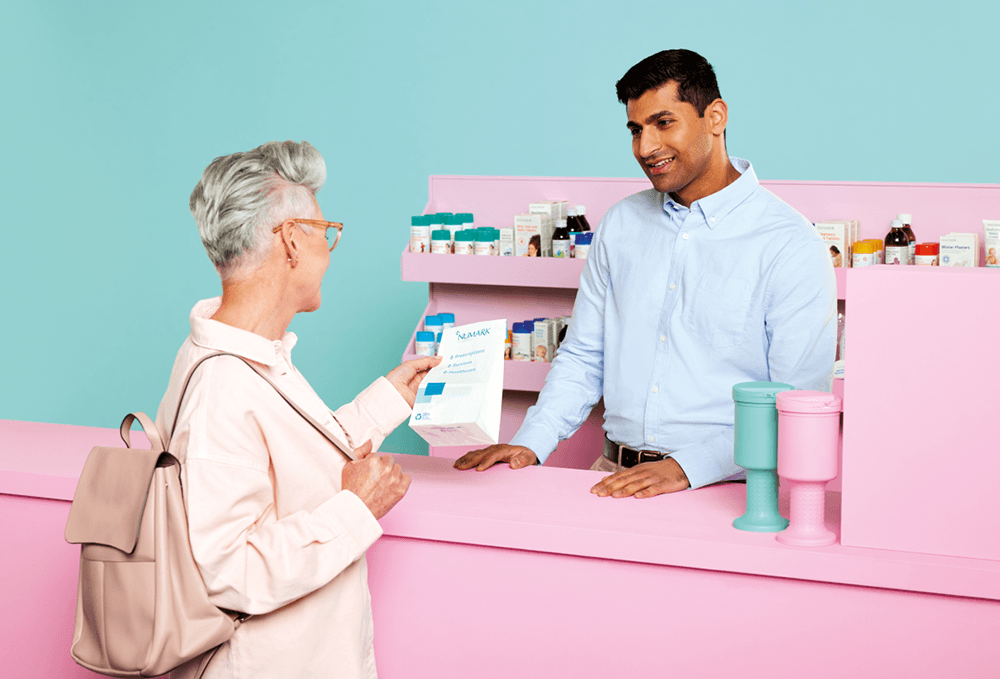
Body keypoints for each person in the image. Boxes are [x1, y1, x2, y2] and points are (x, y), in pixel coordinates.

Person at [455, 49, 836, 499]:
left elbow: (794, 401)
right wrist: (528, 444)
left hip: (726, 491)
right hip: (611, 475)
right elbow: (583, 356)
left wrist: (685, 467)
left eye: (663, 123)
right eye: (635, 130)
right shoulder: (621, 224)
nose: (645, 148)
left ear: (715, 117)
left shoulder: (788, 243)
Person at [155, 140, 439, 678]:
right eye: (326, 231)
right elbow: (229, 570)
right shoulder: (224, 384)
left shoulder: (253, 357)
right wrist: (358, 508)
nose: (330, 250)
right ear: (290, 240)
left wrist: (390, 398)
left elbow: (295, 460)